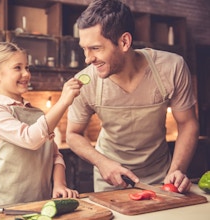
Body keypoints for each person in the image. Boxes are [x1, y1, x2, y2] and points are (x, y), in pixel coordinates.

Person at [66, 0, 199, 193]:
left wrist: (177, 169)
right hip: (110, 179)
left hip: (161, 176)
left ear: (124, 42)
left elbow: (188, 123)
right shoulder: (85, 82)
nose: (88, 59)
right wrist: (102, 163)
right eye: (84, 49)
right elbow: (72, 134)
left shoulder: (172, 67)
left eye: (95, 48)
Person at [0, 42, 82, 206]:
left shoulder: (38, 114)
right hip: (6, 207)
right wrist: (63, 102)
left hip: (42, 202)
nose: (26, 73)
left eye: (27, 67)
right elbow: (30, 139)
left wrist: (60, 183)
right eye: (17, 68)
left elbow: (54, 155)